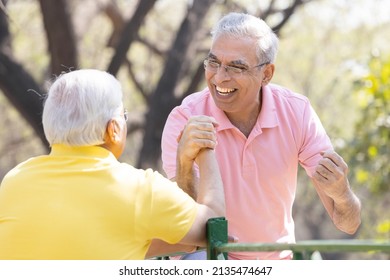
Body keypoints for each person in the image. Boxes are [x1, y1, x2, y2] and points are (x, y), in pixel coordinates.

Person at [161, 12, 361, 260]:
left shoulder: (297, 112)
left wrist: (342, 194)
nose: (220, 77)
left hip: (276, 263)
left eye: (236, 66)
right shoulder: (185, 119)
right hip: (208, 256)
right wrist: (184, 164)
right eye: (213, 62)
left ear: (266, 74)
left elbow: (348, 224)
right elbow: (184, 226)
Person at [0, 69, 225, 260]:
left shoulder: (14, 181)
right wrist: (204, 147)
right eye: (124, 116)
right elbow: (214, 229)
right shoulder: (140, 189)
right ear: (114, 129)